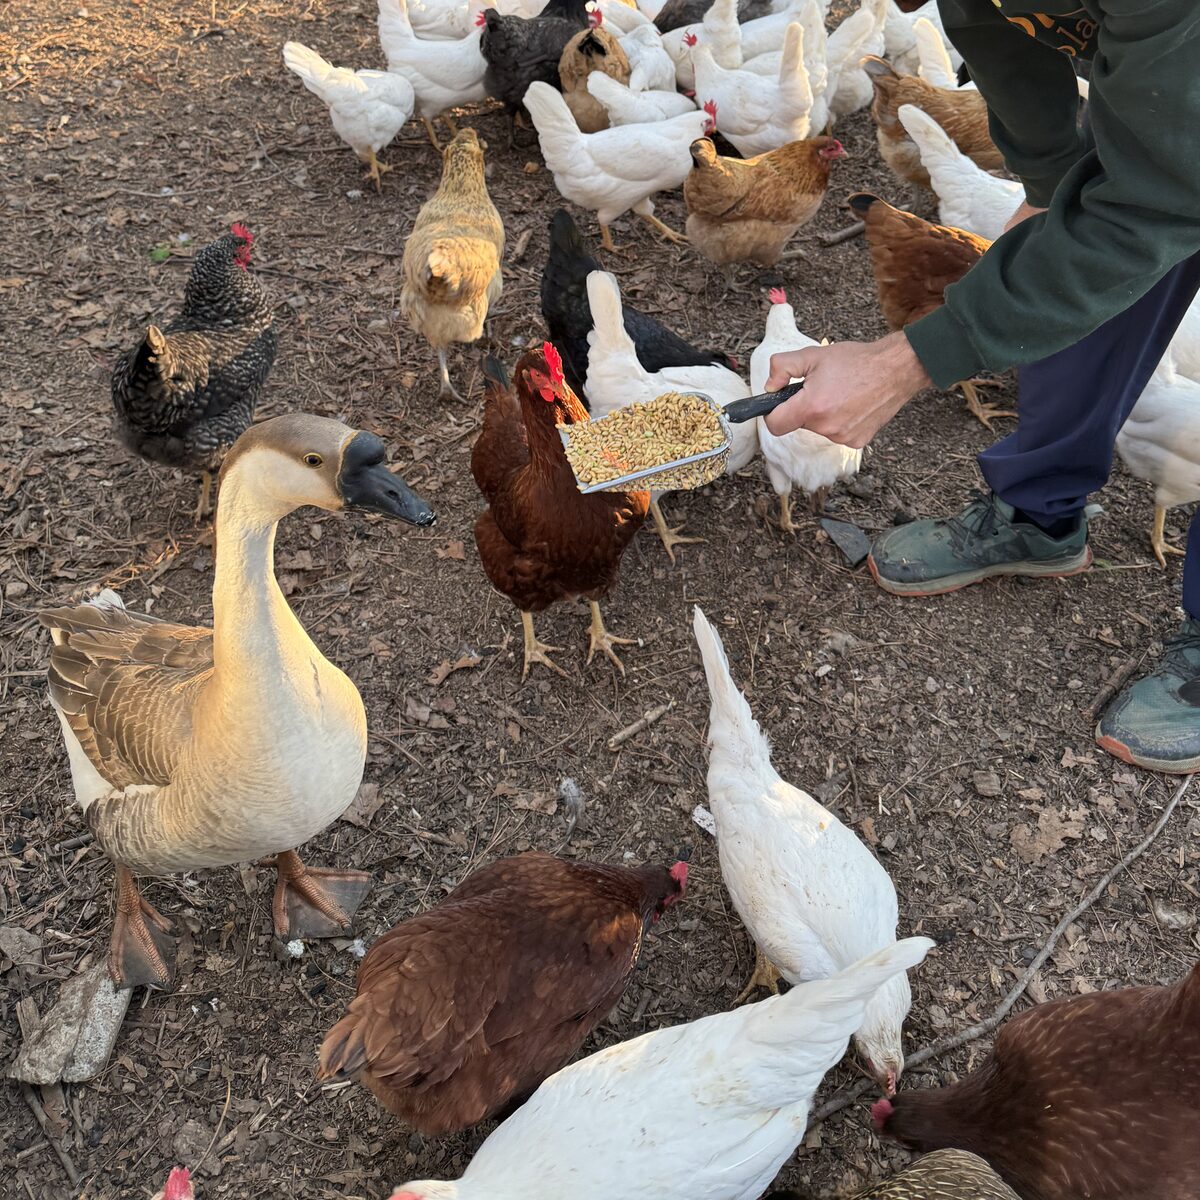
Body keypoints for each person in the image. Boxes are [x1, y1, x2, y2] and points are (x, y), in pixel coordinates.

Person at [763, 0, 1200, 774]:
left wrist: (907, 361)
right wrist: (1053, 182)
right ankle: (1039, 512)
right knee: (1068, 246)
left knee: (1118, 225)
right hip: (1171, 82)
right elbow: (992, 29)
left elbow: (1155, 201)